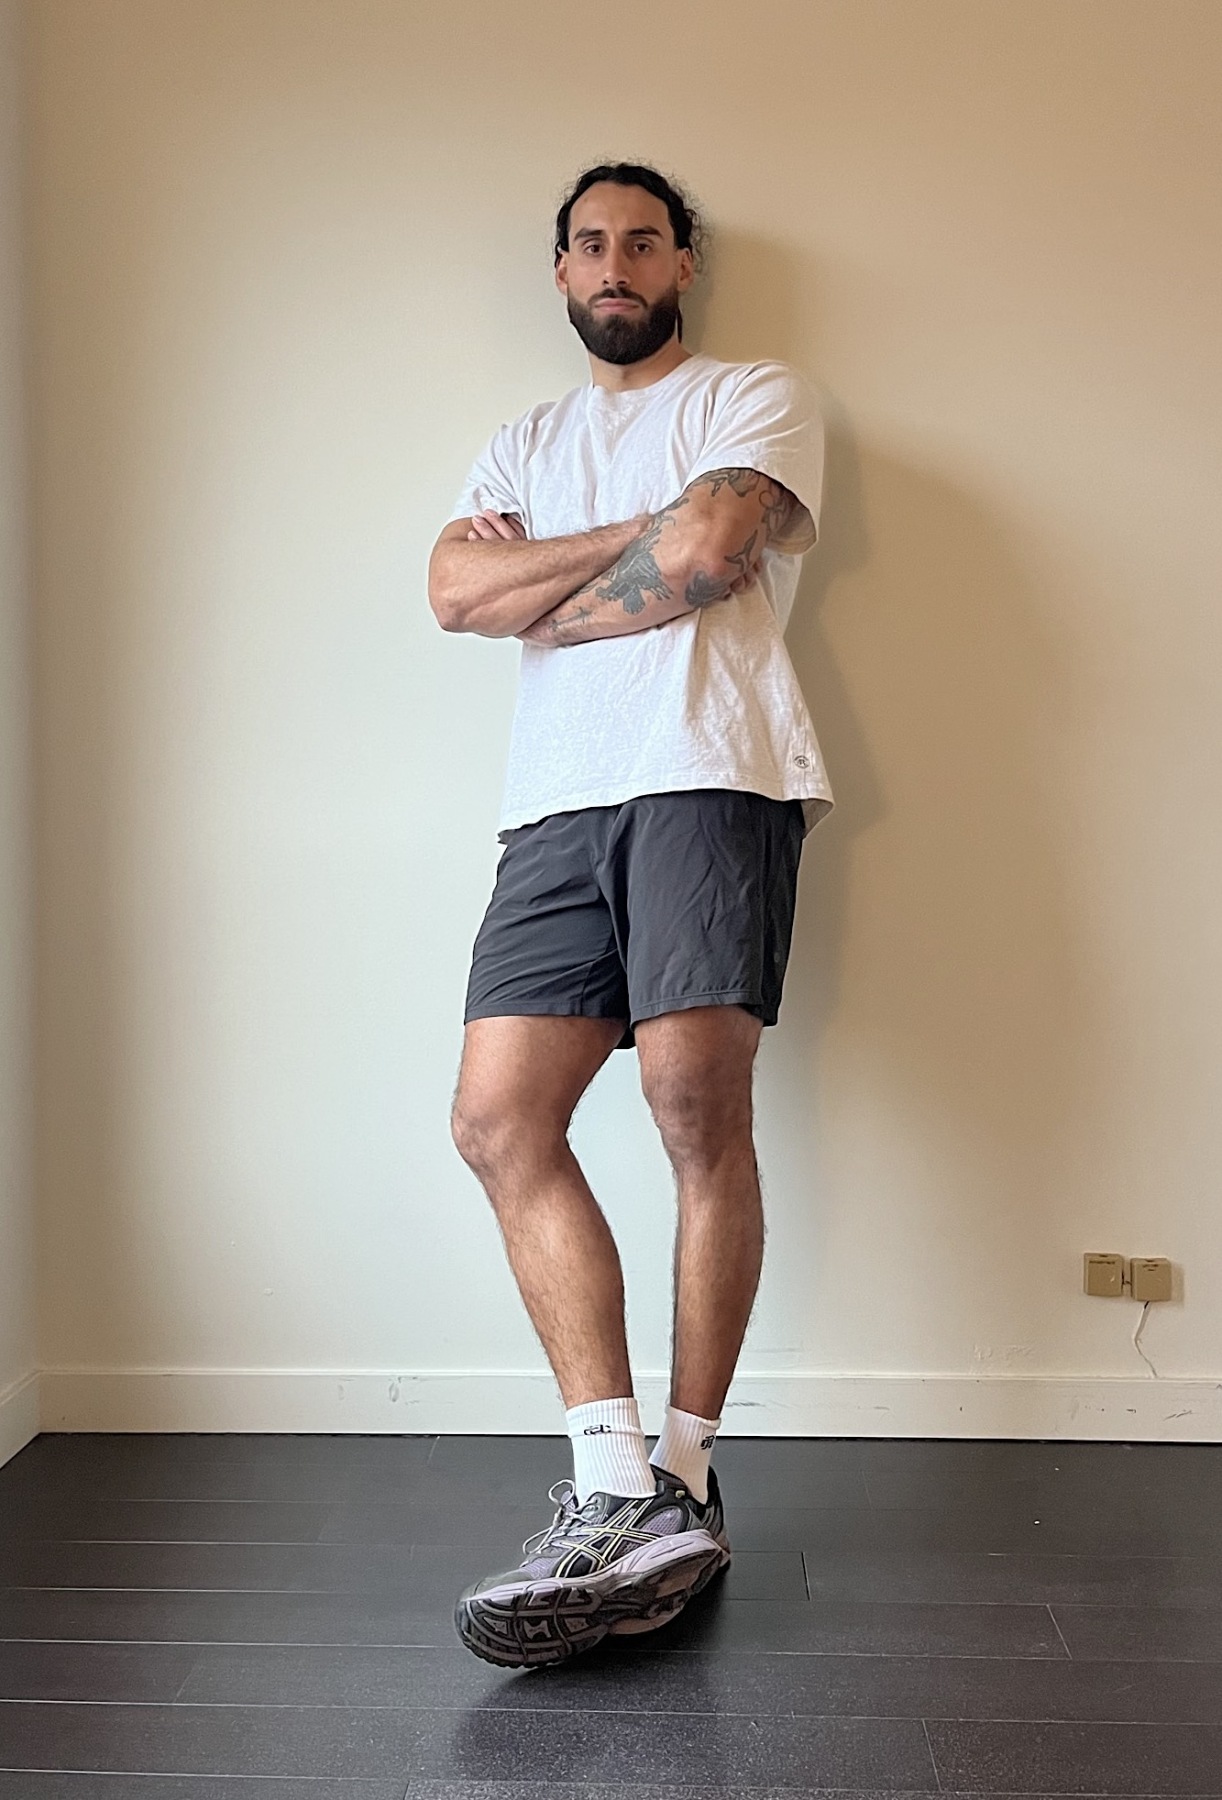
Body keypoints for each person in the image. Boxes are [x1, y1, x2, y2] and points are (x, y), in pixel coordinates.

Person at [428, 162, 834, 1669]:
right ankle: (609, 1486)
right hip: (554, 806)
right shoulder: (523, 438)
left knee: (690, 1107)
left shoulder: (754, 396)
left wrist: (536, 590)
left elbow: (714, 549)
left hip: (709, 773)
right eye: (590, 244)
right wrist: (627, 549)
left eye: (642, 242)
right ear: (561, 270)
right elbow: (450, 595)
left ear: (681, 264)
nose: (616, 264)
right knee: (497, 1121)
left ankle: (686, 1472)